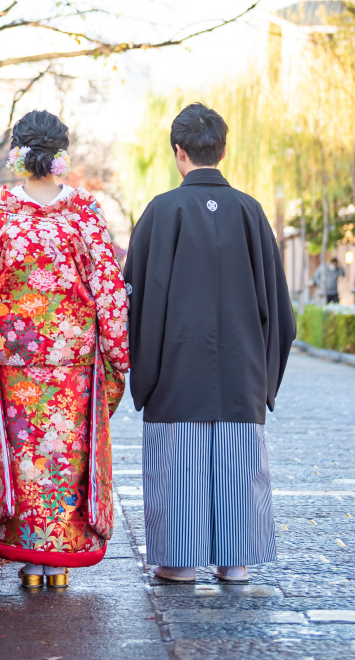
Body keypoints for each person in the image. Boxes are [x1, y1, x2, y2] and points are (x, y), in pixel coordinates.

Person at [0, 110, 129, 590]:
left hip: (15, 353)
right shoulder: (85, 209)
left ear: (17, 151)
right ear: (62, 152)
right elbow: (107, 285)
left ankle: (29, 559)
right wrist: (116, 352)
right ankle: (61, 559)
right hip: (74, 354)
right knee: (66, 453)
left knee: (24, 451)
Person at [124, 103, 295, 585]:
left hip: (176, 370)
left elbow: (138, 298)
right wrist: (263, 374)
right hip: (241, 372)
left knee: (179, 464)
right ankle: (234, 561)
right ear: (222, 150)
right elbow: (278, 306)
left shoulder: (161, 211)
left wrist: (143, 371)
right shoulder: (250, 211)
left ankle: (178, 561)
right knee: (239, 462)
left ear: (179, 153)